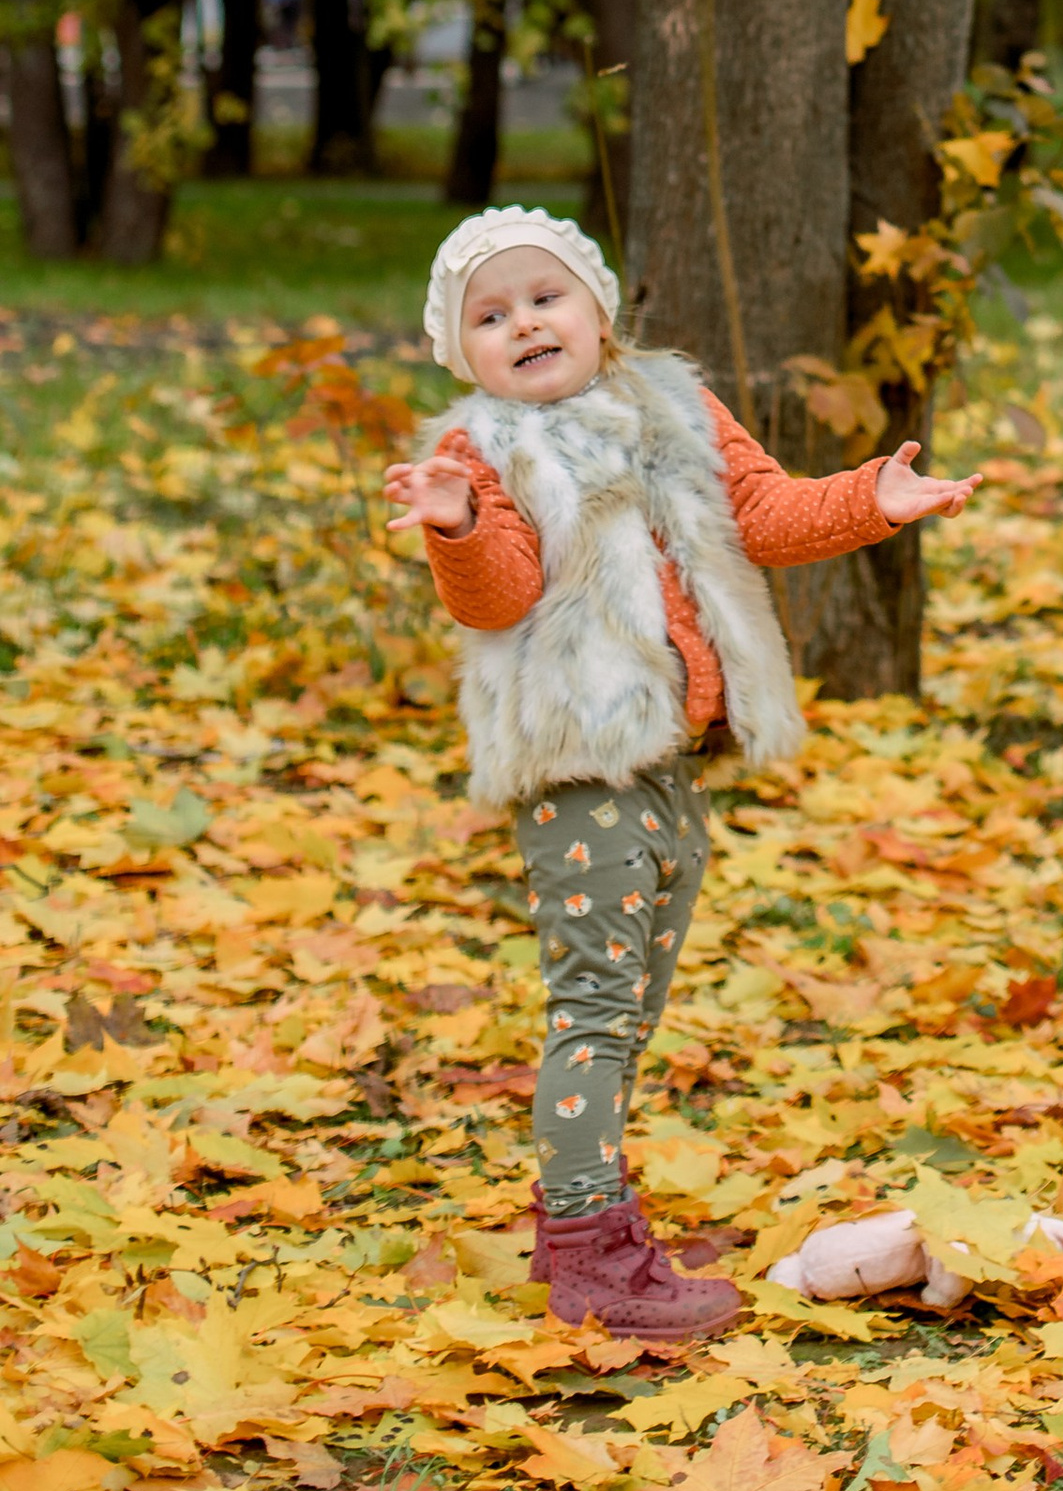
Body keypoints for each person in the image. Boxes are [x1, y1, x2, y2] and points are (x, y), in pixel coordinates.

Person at [383, 205, 980, 1341]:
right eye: (490, 317)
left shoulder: (676, 407)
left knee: (633, 1002)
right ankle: (589, 1252)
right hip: (580, 765)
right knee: (596, 1009)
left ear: (599, 311)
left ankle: (589, 1207)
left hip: (671, 762)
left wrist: (871, 501)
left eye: (545, 298)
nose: (525, 324)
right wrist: (456, 527)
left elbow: (761, 513)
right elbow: (500, 596)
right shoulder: (483, 454)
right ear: (462, 353)